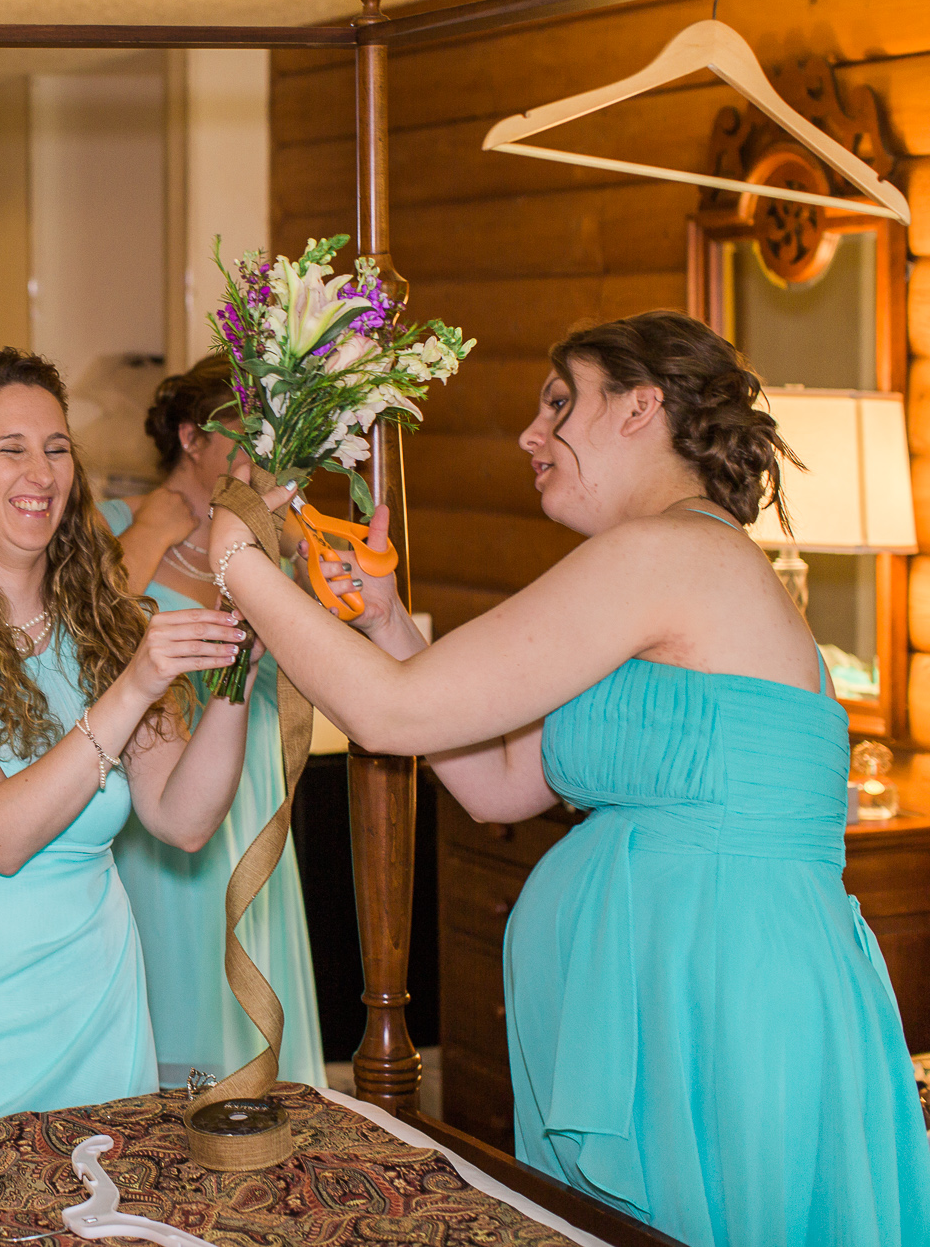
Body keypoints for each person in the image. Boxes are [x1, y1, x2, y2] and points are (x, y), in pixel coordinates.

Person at [207, 310, 930, 1247]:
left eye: (559, 402)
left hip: (719, 997)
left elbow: (392, 714)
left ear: (641, 407)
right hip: (670, 995)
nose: (530, 435)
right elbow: (500, 784)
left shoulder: (668, 553)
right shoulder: (668, 567)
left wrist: (238, 557)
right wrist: (386, 620)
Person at [0, 348, 264, 1139]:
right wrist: (131, 686)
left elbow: (184, 816)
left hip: (91, 1026)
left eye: (57, 447)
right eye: (11, 448)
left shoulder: (106, 627)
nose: (43, 470)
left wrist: (238, 670)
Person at [98, 354, 324, 1088]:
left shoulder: (268, 551)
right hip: (156, 809)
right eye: (248, 435)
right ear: (192, 438)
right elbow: (90, 633)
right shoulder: (116, 526)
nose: (264, 458)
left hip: (251, 799)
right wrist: (155, 530)